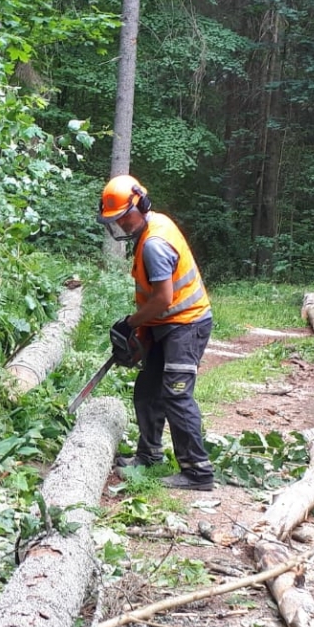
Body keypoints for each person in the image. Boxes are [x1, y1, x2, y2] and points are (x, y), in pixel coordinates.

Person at [99, 174, 215, 491]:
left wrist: (132, 323)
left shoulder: (153, 244)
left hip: (186, 325)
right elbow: (160, 302)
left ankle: (198, 472)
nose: (122, 225)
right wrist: (144, 334)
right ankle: (149, 454)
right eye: (116, 220)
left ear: (141, 205)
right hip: (167, 324)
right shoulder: (153, 226)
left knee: (176, 394)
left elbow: (163, 298)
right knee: (148, 388)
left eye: (125, 217)